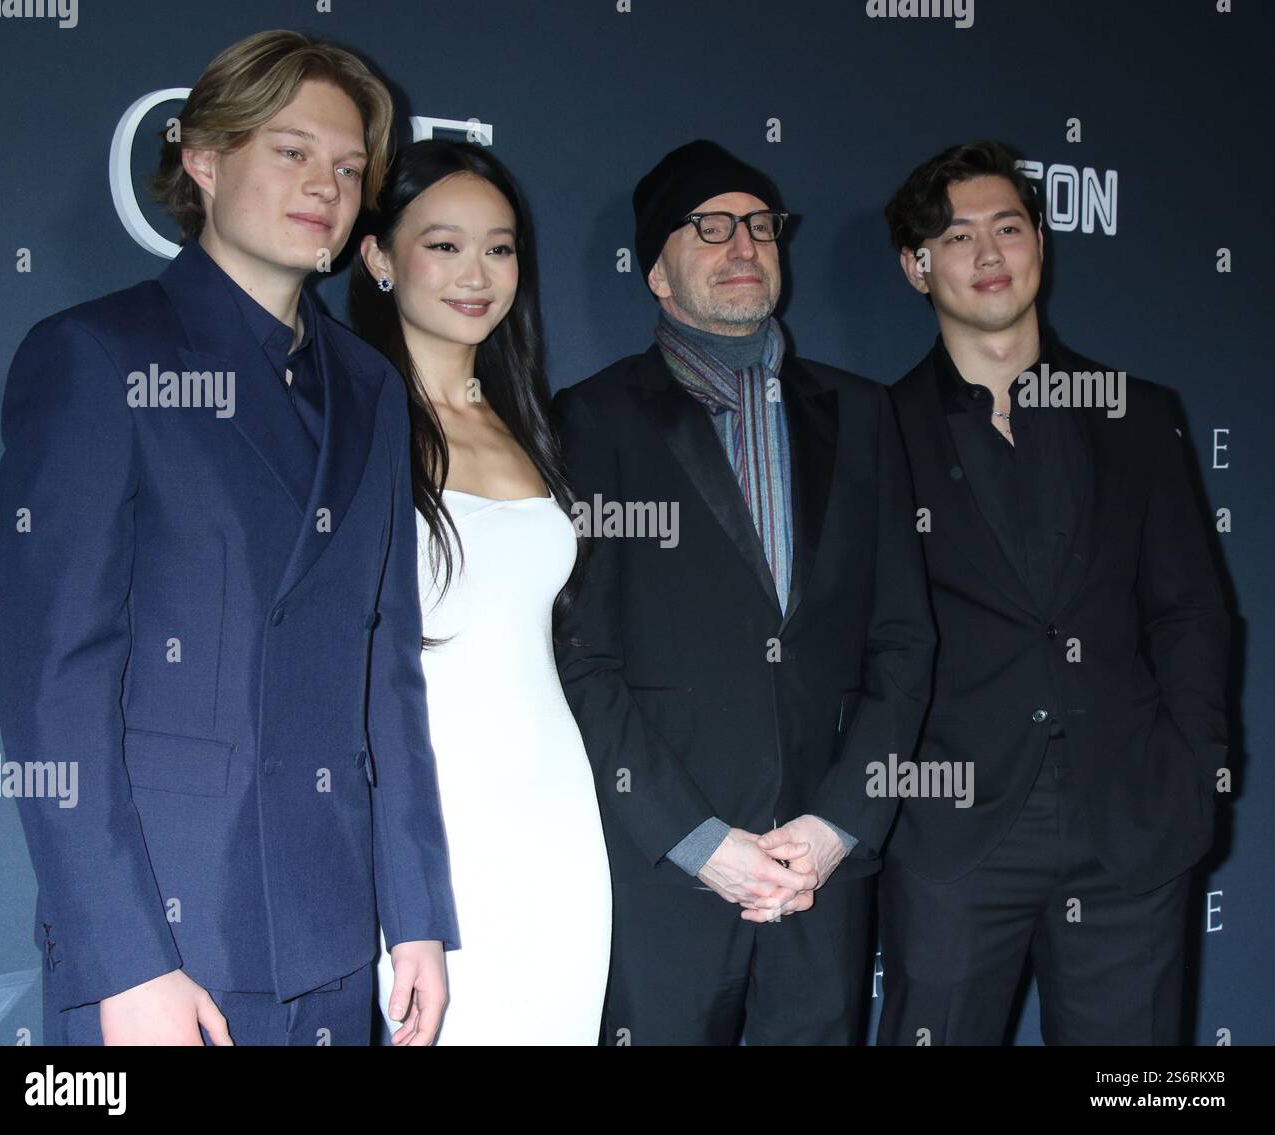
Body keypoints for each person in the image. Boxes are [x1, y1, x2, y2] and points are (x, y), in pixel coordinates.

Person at [0, 30, 457, 1046]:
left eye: (345, 167)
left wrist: (414, 913)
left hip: (335, 936)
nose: (325, 185)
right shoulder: (95, 356)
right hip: (168, 937)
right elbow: (54, 687)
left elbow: (387, 670)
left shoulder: (372, 390)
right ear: (203, 160)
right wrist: (125, 960)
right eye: (290, 151)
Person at [551, 140, 935, 1044]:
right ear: (655, 270)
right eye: (710, 228)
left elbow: (905, 642)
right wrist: (695, 840)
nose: (743, 247)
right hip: (664, 876)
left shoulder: (864, 414)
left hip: (822, 873)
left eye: (761, 226)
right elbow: (583, 659)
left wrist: (841, 824)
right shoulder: (592, 419)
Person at [879, 139, 1229, 1045]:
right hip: (953, 829)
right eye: (958, 236)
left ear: (1042, 241)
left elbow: (1190, 609)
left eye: (1009, 226)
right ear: (917, 267)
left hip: (1132, 820)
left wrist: (1194, 773)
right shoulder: (875, 431)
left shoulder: (1139, 411)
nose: (990, 254)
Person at [353, 139, 611, 1045]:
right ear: (379, 257)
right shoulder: (341, 420)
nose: (477, 274)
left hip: (556, 810)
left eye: (499, 248)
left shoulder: (532, 418)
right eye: (444, 244)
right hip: (421, 819)